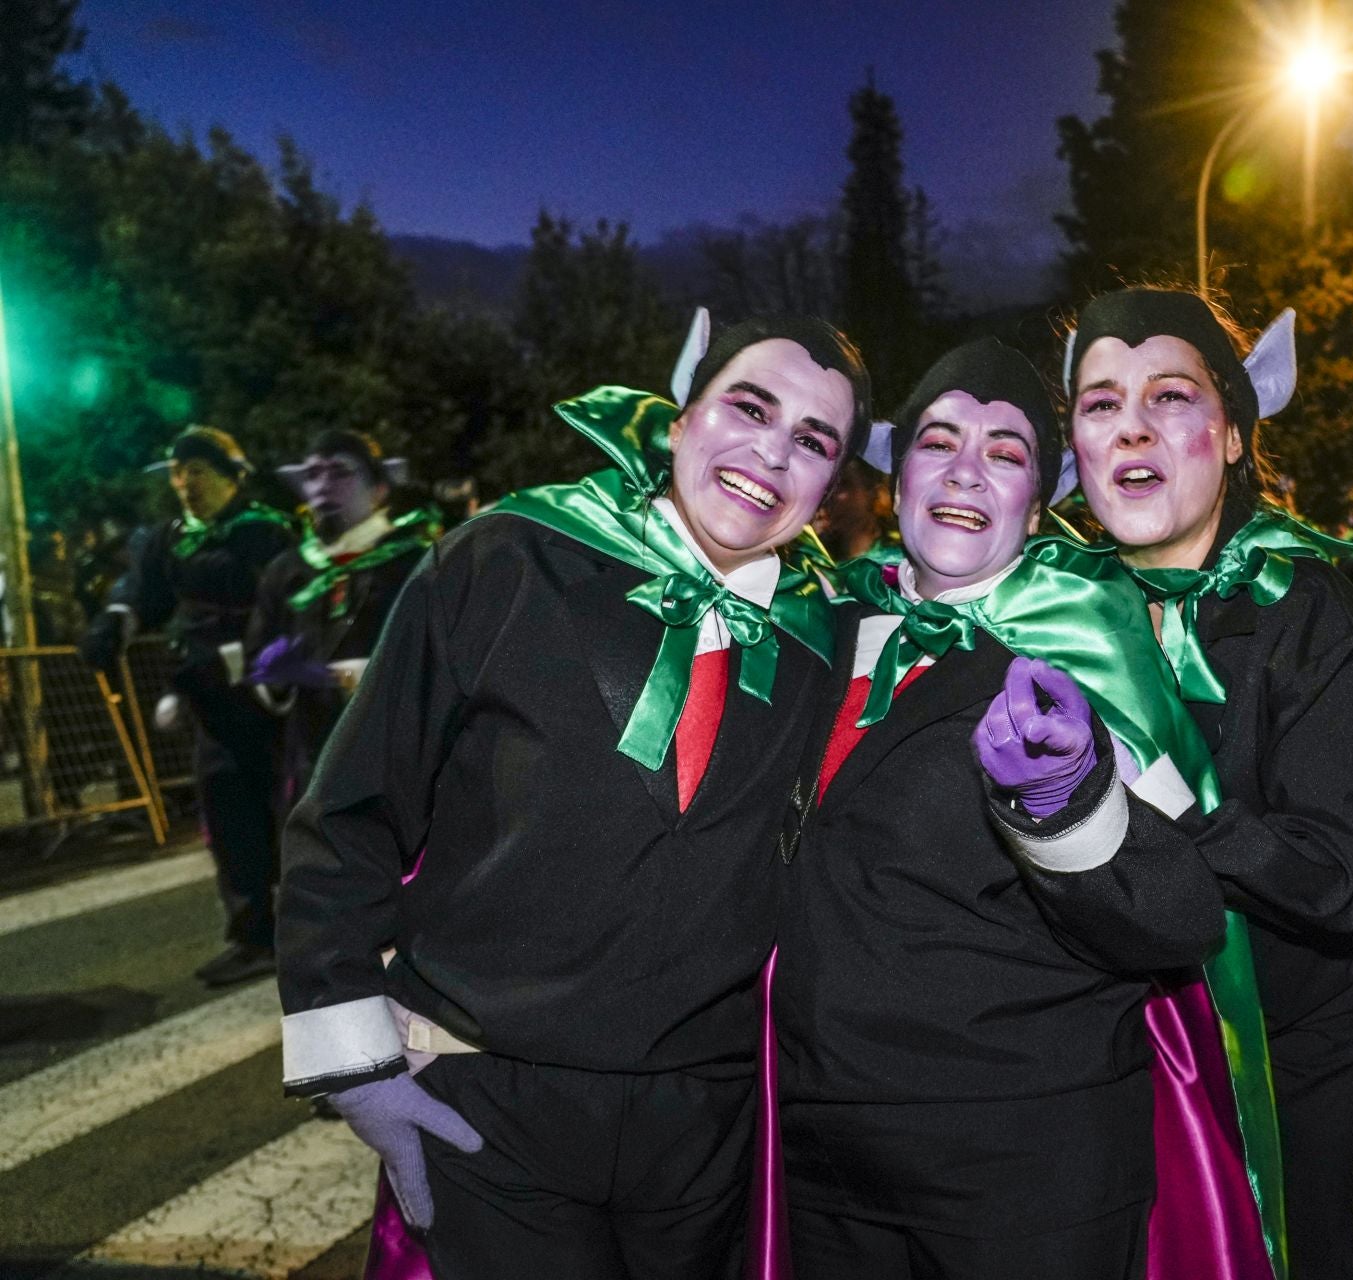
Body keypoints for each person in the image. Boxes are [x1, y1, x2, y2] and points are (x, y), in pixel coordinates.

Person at [275, 311, 869, 1280]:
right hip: (488, 1090)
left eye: (813, 439)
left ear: (831, 480)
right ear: (679, 416)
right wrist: (352, 1060)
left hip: (705, 1121)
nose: (772, 451)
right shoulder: (505, 559)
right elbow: (350, 813)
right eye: (749, 407)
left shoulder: (824, 639)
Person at [776, 338, 1232, 1280]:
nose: (967, 472)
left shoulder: (1086, 646)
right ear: (895, 476)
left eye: (1008, 453)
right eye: (938, 442)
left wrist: (1068, 805)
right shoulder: (811, 630)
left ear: (1041, 501)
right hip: (820, 1159)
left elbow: (1180, 911)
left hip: (1023, 1171)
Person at [1065, 286, 1353, 1279]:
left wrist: (1164, 802)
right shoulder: (1050, 611)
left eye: (1169, 394)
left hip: (1291, 1036)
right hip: (1117, 1030)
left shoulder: (1310, 611)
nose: (1130, 422)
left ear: (1237, 432)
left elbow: (1343, 869)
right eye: (1099, 402)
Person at [81, 426, 297, 987]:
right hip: (208, 697)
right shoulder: (170, 537)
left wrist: (269, 668)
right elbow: (141, 591)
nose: (184, 484)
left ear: (231, 476)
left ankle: (312, 929)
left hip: (270, 698)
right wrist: (115, 622)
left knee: (288, 811)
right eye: (178, 474)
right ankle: (252, 934)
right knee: (225, 812)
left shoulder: (264, 533)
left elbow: (289, 603)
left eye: (197, 472)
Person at [246, 429, 436, 808]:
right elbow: (259, 650)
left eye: (340, 473)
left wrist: (363, 674)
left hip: (400, 765)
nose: (322, 485)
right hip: (315, 765)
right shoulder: (287, 571)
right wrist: (274, 678)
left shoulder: (416, 563)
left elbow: (447, 654)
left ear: (380, 490)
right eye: (313, 474)